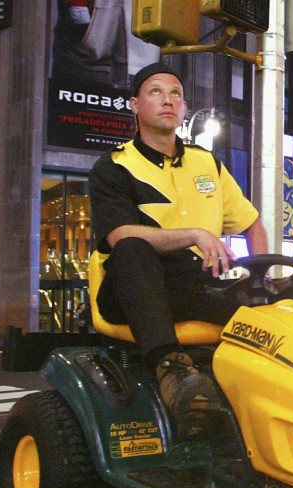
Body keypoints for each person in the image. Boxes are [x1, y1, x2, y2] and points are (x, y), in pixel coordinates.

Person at [88, 62, 269, 415]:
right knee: (131, 248)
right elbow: (119, 234)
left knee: (289, 297)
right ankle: (171, 369)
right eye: (155, 92)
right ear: (135, 105)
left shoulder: (207, 164)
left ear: (184, 108)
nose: (168, 100)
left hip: (196, 285)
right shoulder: (114, 167)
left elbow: (252, 225)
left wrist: (260, 278)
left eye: (176, 95)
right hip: (135, 288)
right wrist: (194, 234)